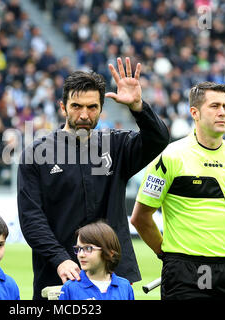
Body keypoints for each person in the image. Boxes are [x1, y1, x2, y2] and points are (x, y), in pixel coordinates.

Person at [17, 57, 170, 299]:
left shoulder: (117, 146)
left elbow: (158, 139)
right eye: (76, 106)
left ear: (101, 108)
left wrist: (138, 107)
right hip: (59, 275)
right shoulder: (37, 155)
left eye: (92, 107)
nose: (84, 115)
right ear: (62, 107)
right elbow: (31, 218)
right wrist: (60, 259)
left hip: (113, 276)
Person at [131, 81, 225, 300]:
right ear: (194, 113)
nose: (222, 112)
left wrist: (220, 242)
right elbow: (140, 218)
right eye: (214, 106)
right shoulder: (170, 156)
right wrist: (166, 255)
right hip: (183, 270)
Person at [58, 221, 134, 300]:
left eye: (88, 248)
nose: (81, 255)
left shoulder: (125, 286)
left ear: (109, 253)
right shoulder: (70, 288)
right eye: (78, 249)